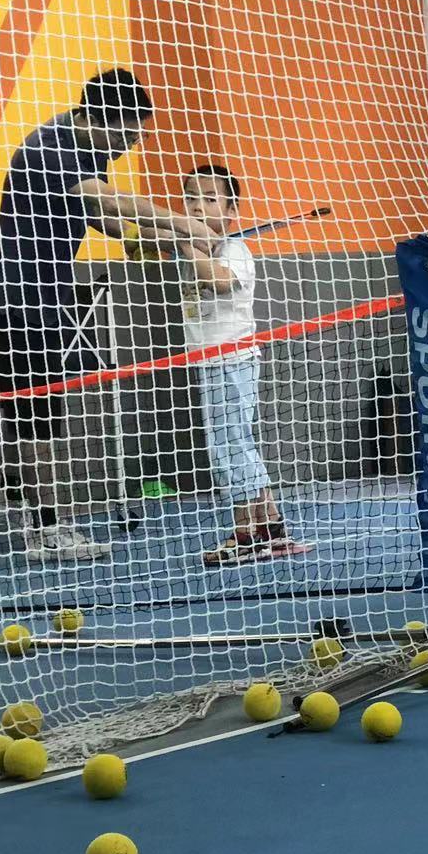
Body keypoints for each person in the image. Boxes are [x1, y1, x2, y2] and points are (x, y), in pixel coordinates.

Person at [0, 68, 223, 562]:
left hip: (42, 295)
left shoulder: (87, 149)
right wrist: (186, 224)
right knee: (38, 415)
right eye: (127, 134)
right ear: (98, 119)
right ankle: (46, 529)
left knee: (27, 407)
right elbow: (110, 198)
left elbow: (103, 217)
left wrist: (154, 240)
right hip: (18, 300)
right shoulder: (50, 147)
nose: (129, 146)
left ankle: (7, 492)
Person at [177, 164, 307, 565]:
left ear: (232, 211)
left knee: (228, 448)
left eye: (209, 199)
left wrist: (184, 241)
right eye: (191, 198)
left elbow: (219, 281)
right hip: (209, 360)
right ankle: (271, 529)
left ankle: (246, 533)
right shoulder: (202, 248)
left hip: (232, 360)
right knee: (236, 444)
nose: (197, 206)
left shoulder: (234, 250)